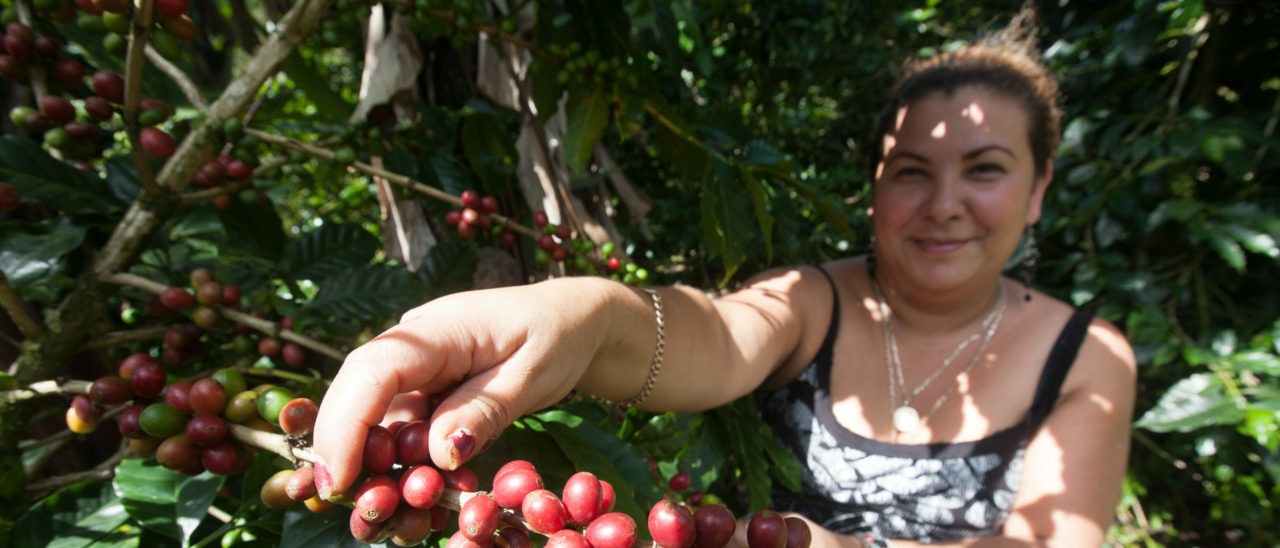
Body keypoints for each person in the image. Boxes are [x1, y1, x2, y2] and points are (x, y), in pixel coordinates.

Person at [313, 9, 1136, 546]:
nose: (944, 204)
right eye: (912, 171)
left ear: (1039, 190)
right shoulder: (817, 302)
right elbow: (708, 333)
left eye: (985, 170)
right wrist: (583, 315)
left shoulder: (1088, 358)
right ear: (877, 188)